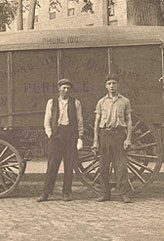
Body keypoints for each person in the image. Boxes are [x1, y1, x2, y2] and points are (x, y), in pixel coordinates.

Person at [37, 78, 83, 202]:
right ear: (59, 89)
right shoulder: (51, 103)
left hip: (70, 135)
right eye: (64, 88)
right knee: (52, 165)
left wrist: (79, 137)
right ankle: (46, 193)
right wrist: (50, 134)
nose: (66, 90)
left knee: (69, 165)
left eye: (68, 88)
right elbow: (47, 120)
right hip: (56, 135)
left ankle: (66, 193)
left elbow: (79, 121)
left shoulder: (76, 103)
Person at [92, 74, 132, 203]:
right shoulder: (101, 102)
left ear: (118, 85)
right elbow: (97, 122)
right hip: (104, 134)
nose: (112, 86)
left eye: (114, 83)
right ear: (105, 86)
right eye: (109, 84)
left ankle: (124, 194)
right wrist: (95, 141)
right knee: (103, 166)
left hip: (119, 134)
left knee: (121, 166)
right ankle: (105, 193)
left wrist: (128, 138)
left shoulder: (124, 101)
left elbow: (129, 120)